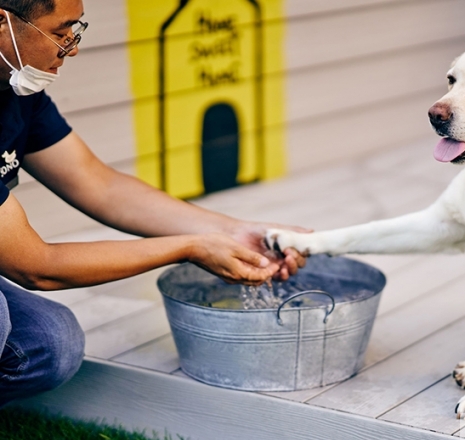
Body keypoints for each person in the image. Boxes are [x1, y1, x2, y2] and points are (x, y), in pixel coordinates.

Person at [0, 0, 306, 407]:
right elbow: (36, 267)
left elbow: (100, 185)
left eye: (77, 29)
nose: (72, 47)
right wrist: (189, 247)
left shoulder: (16, 87)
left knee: (50, 344)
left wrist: (230, 232)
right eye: (60, 32)